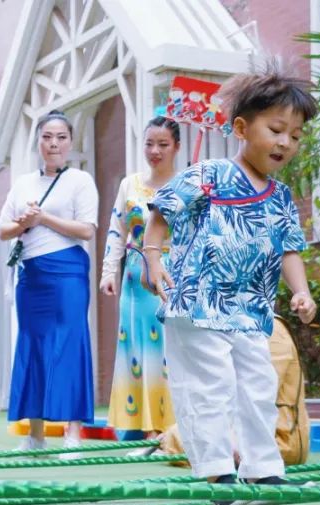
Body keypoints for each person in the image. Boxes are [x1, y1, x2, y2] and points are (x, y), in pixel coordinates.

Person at [143, 65, 318, 493]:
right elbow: (162, 210)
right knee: (211, 386)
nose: (285, 142)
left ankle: (263, 465)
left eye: (295, 135)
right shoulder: (211, 174)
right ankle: (217, 468)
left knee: (259, 385)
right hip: (198, 302)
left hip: (249, 310)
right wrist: (152, 258)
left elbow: (289, 247)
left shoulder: (279, 196)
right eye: (276, 129)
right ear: (241, 127)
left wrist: (302, 291)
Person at [0, 110, 99, 457]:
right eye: (46, 137)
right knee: (33, 346)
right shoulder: (23, 183)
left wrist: (44, 218)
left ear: (70, 142)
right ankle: (35, 433)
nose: (53, 143)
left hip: (67, 272)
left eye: (60, 137)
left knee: (69, 345)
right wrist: (23, 224)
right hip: (31, 274)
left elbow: (86, 229)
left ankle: (72, 433)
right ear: (38, 141)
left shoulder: (80, 180)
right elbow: (2, 230)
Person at [100, 116, 180, 453]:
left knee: (169, 353)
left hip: (173, 278)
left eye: (163, 144)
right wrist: (108, 271)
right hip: (135, 280)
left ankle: (171, 430)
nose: (155, 151)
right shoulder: (129, 185)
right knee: (137, 352)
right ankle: (143, 428)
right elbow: (117, 229)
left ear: (176, 146)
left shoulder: (186, 183)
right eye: (149, 143)